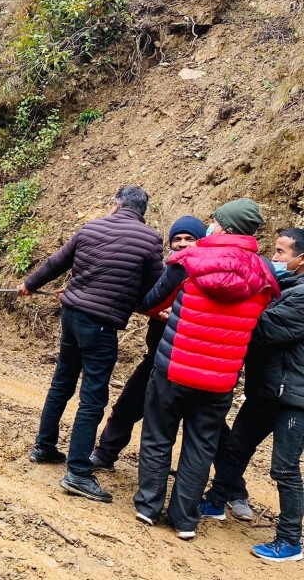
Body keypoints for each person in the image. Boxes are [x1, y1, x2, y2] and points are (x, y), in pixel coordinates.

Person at [134, 198, 279, 540]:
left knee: (158, 435)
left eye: (214, 221)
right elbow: (262, 317)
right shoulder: (265, 273)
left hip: (175, 367)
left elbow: (152, 302)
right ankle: (185, 520)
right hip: (221, 377)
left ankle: (148, 506)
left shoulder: (188, 260)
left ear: (224, 227)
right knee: (201, 445)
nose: (210, 225)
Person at [17, 185, 164, 503]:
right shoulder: (150, 240)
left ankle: (44, 446)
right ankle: (78, 474)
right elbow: (155, 290)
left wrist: (29, 284)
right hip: (101, 325)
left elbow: (57, 262)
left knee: (62, 382)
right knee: (93, 399)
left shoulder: (91, 227)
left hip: (71, 316)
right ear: (142, 212)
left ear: (116, 204)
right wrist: (145, 306)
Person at [200, 228, 304, 562]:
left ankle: (290, 541)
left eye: (281, 253)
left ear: (301, 260)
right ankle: (216, 502)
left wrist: (237, 306)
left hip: (295, 398)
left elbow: (265, 330)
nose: (274, 259)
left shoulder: (302, 296)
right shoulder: (286, 287)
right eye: (273, 251)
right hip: (268, 389)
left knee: (285, 469)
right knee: (236, 448)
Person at [90, 216, 206, 471]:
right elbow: (142, 299)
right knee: (126, 407)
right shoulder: (165, 273)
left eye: (190, 239)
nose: (183, 244)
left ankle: (232, 488)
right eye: (177, 239)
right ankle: (105, 454)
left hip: (192, 364)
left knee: (209, 428)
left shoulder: (208, 275)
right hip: (156, 357)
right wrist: (153, 312)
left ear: (202, 242)